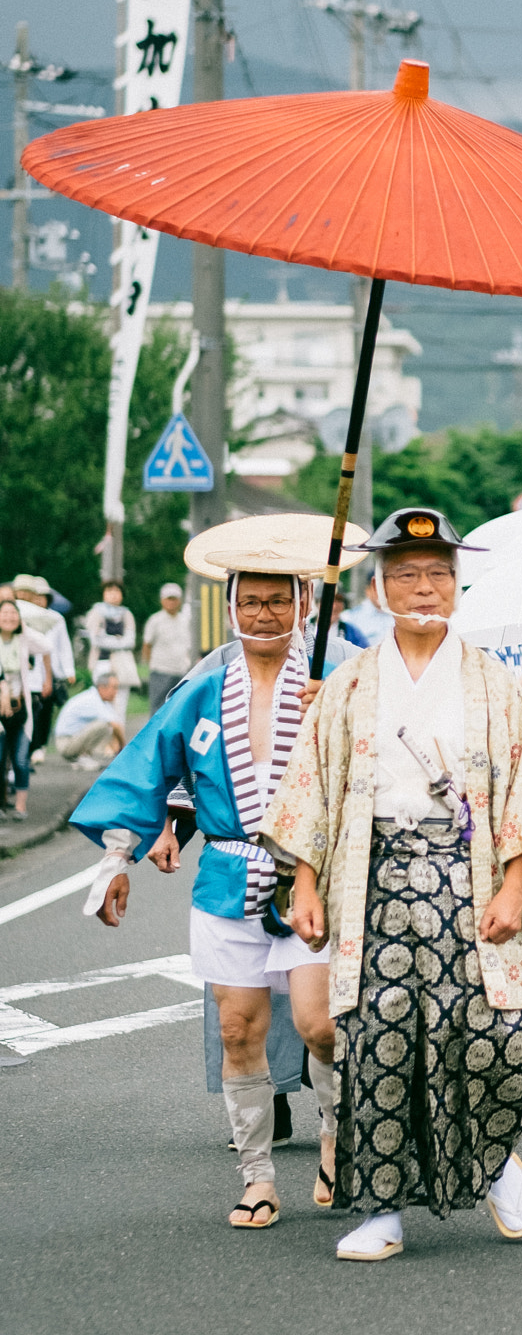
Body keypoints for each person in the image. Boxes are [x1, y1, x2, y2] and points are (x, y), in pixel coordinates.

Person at [272, 507, 522, 1262]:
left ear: (458, 586)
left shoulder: (495, 683)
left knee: (491, 1040)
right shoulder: (347, 684)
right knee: (377, 1042)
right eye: (407, 575)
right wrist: (304, 884)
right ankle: (381, 1208)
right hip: (372, 879)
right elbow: (316, 786)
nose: (425, 589)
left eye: (439, 575)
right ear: (381, 585)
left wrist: (512, 887)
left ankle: (495, 1161)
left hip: (470, 879)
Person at [71, 519, 347, 1232]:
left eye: (278, 601)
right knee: (237, 1030)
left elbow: (381, 764)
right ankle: (257, 1177)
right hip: (228, 876)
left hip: (310, 877)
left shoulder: (334, 683)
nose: (264, 614)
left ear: (303, 605)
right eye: (250, 602)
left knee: (320, 1025)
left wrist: (339, 719)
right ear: (231, 608)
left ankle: (337, 1137)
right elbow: (146, 769)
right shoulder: (202, 693)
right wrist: (117, 857)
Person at [13, 573, 74, 759]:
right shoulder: (13, 615)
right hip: (19, 674)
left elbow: (61, 647)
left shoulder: (52, 618)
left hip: (45, 672)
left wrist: (68, 670)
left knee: (43, 711)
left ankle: (37, 747)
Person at [0, 597, 51, 816]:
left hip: (20, 706)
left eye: (13, 613)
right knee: (0, 759)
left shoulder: (23, 639)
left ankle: (20, 805)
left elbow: (46, 646)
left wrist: (24, 630)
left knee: (20, 759)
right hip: (1, 706)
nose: (9, 618)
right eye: (4, 613)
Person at [81, 581, 139, 730]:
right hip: (101, 663)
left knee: (120, 704)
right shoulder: (96, 612)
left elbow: (130, 641)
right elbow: (95, 639)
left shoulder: (127, 614)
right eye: (109, 591)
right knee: (101, 702)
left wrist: (107, 638)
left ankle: (117, 741)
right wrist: (118, 639)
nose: (113, 594)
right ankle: (102, 740)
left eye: (116, 591)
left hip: (121, 666)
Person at [141, 582, 194, 714]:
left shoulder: (185, 620)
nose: (172, 602)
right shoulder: (155, 620)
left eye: (174, 599)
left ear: (179, 601)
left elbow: (188, 646)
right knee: (158, 707)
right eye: (168, 599)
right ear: (162, 600)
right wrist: (150, 665)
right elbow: (147, 644)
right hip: (161, 670)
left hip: (181, 671)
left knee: (178, 708)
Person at [53, 666, 124, 764]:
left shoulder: (102, 702)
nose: (116, 692)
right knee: (103, 725)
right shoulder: (93, 700)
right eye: (114, 688)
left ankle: (85, 756)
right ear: (102, 687)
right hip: (65, 743)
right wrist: (124, 749)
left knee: (106, 725)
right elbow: (116, 726)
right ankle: (83, 756)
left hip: (72, 739)